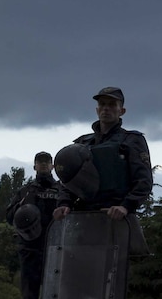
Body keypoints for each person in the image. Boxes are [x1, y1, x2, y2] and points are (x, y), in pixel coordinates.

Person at [52, 87, 152, 223]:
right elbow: (68, 183)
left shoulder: (132, 141)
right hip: (83, 220)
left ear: (121, 111)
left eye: (112, 104)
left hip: (118, 220)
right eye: (102, 104)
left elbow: (143, 181)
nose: (106, 108)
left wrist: (125, 206)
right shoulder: (82, 144)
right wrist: (64, 204)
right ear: (97, 110)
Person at [5, 151, 61, 299]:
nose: (43, 165)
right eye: (40, 162)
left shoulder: (61, 190)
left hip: (55, 249)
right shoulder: (25, 191)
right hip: (29, 250)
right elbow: (9, 216)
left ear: (52, 166)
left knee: (56, 294)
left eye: (47, 162)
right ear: (35, 165)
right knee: (30, 297)